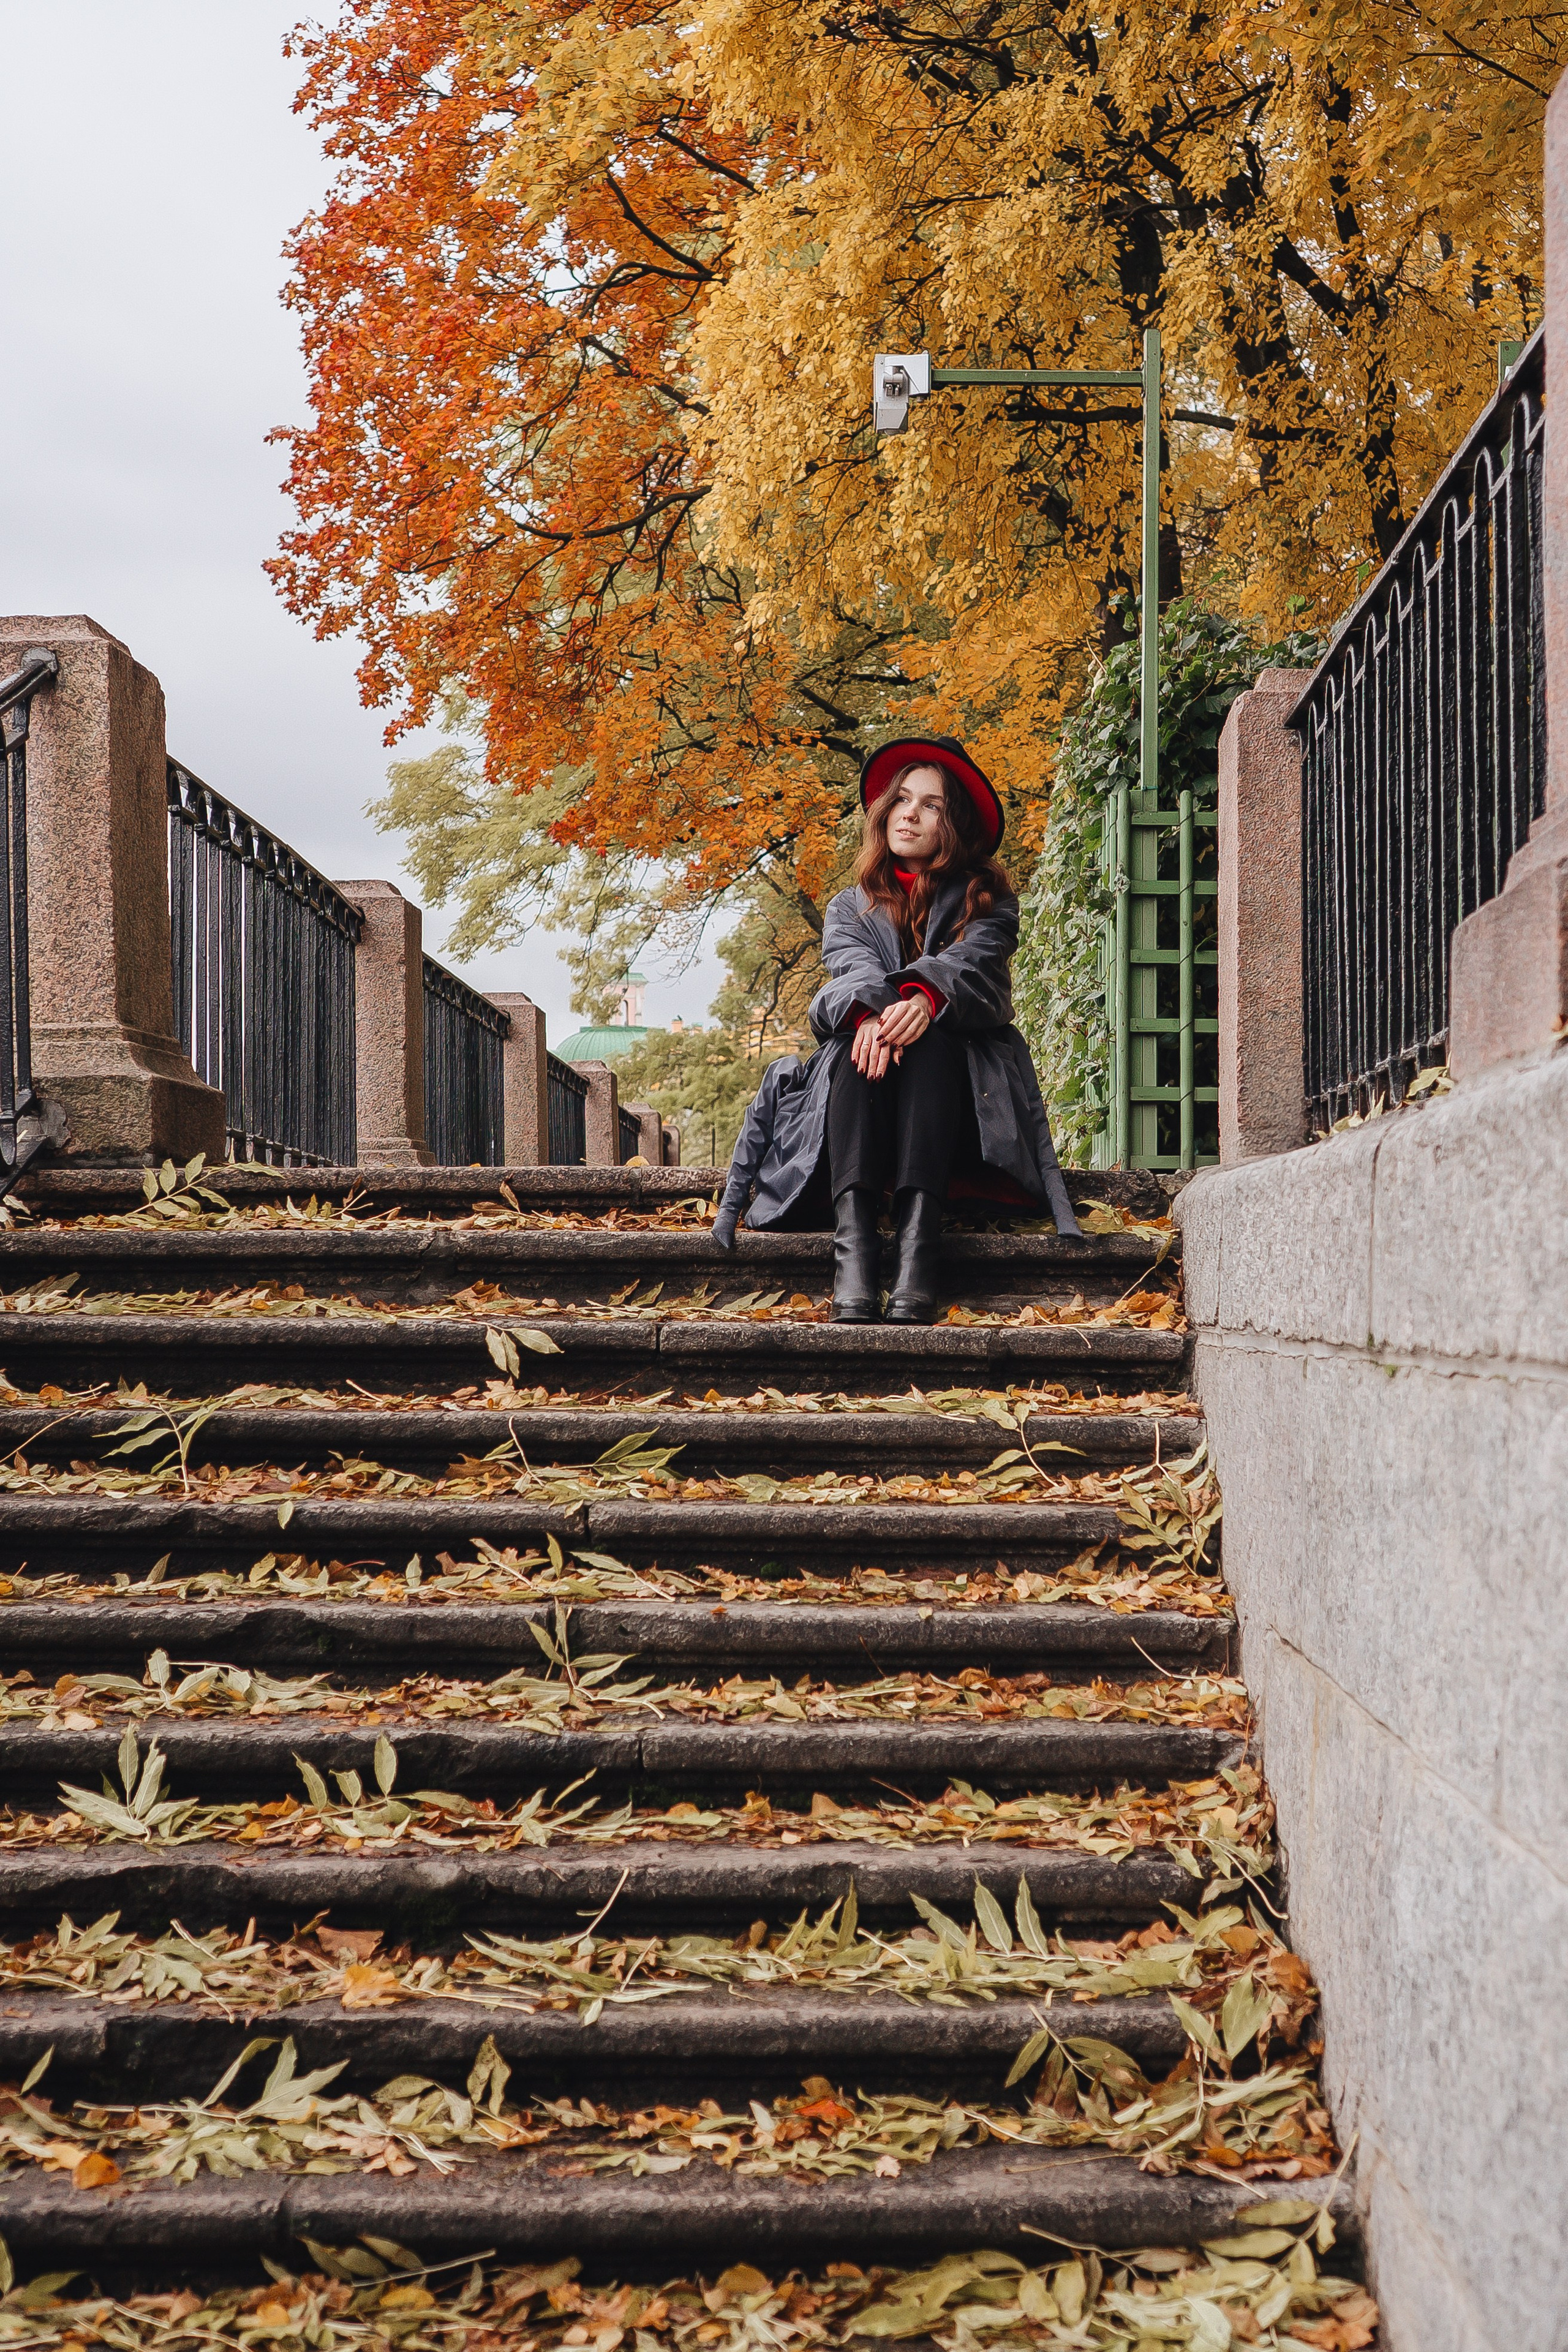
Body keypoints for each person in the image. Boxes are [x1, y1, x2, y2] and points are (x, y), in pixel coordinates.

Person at [712, 734, 1080, 1317]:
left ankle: (917, 1259)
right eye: (902, 798)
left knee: (927, 1036)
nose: (909, 812)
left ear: (952, 821)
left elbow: (976, 971)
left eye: (931, 804)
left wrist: (923, 1000)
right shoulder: (847, 906)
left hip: (958, 1120)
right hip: (860, 1115)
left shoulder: (989, 903)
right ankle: (854, 1260)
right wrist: (875, 1015)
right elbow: (848, 973)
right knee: (861, 1042)